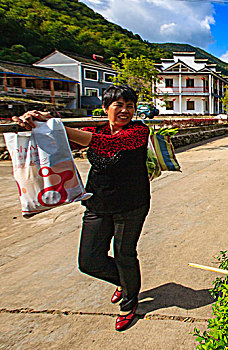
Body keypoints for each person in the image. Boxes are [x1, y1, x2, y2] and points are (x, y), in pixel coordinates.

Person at [12, 85, 150, 332]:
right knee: (89, 260)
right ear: (105, 108)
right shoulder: (92, 129)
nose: (125, 111)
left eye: (130, 106)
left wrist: (56, 126)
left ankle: (129, 303)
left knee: (124, 253)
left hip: (132, 204)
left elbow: (106, 144)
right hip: (97, 202)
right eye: (118, 105)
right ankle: (125, 281)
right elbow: (60, 142)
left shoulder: (138, 131)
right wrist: (37, 124)